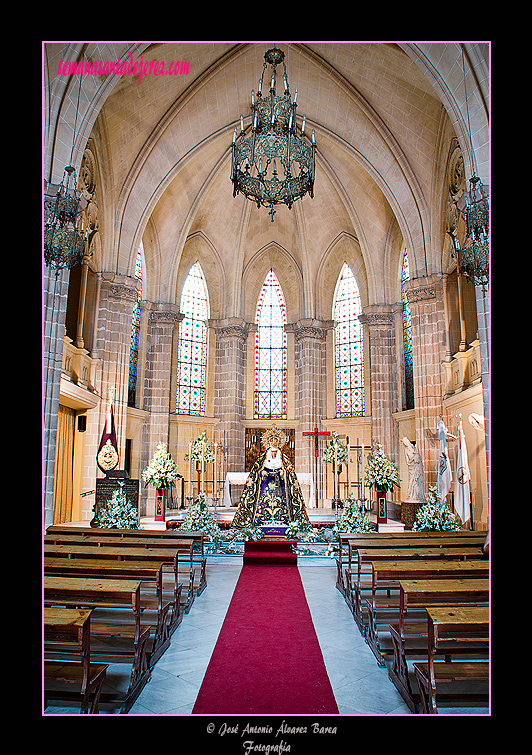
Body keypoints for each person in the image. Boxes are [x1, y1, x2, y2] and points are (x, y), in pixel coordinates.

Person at [232, 426, 309, 528]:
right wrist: (261, 473)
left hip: (280, 485)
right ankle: (260, 520)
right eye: (272, 452)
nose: (274, 454)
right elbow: (255, 472)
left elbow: (290, 472)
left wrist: (283, 473)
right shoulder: (262, 459)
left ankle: (283, 520)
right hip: (266, 484)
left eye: (275, 452)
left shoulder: (283, 459)